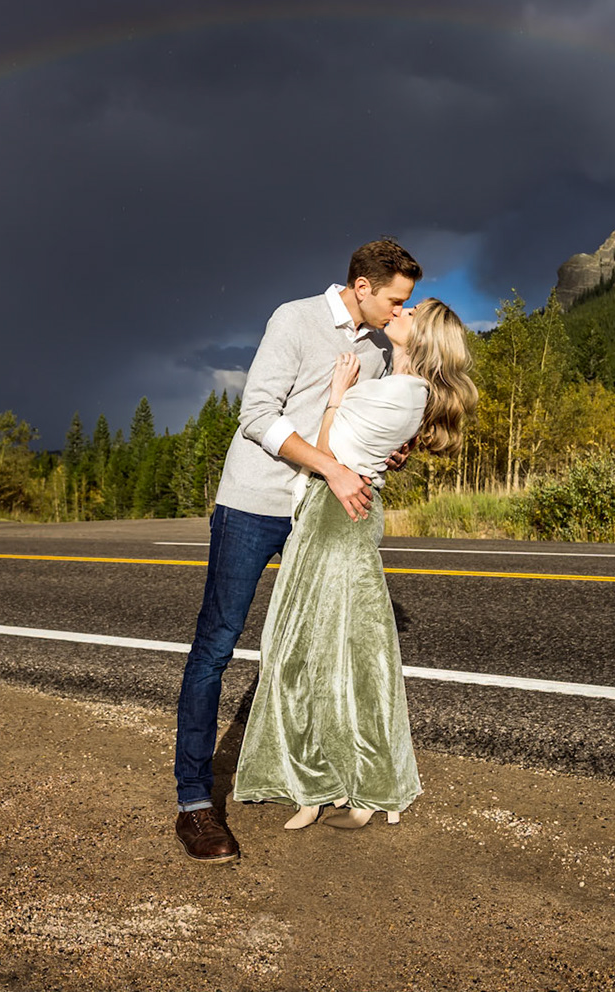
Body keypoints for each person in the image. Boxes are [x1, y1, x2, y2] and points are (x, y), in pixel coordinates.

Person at [173, 238, 421, 864]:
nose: (400, 312)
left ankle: (313, 775)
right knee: (218, 645)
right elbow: (257, 415)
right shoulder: (295, 319)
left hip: (320, 515)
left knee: (319, 649)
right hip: (255, 504)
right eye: (395, 300)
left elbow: (362, 425)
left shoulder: (381, 349)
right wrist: (333, 468)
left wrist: (384, 450)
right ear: (362, 286)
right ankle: (195, 804)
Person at [231, 298, 477, 830]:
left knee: (311, 650)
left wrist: (336, 397)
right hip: (345, 516)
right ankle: (344, 785)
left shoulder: (395, 392)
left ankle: (334, 784)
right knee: (342, 649)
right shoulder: (403, 388)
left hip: (332, 517)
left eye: (413, 312)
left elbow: (328, 454)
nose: (402, 310)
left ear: (423, 337)